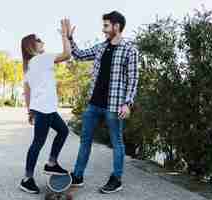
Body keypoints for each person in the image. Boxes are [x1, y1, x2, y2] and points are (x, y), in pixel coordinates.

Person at [66, 11, 139, 194]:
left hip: (114, 106)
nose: (103, 29)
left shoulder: (130, 49)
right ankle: (78, 175)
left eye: (106, 25)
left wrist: (127, 103)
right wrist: (69, 38)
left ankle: (116, 178)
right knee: (85, 140)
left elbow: (133, 79)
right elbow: (80, 55)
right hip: (94, 104)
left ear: (116, 26)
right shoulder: (101, 47)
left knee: (117, 142)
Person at [20, 19, 72, 194]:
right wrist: (65, 35)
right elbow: (67, 54)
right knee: (38, 143)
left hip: (44, 109)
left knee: (63, 131)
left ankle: (51, 163)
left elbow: (27, 91)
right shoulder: (42, 59)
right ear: (32, 45)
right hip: (45, 109)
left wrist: (30, 111)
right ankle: (27, 179)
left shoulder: (28, 67)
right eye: (39, 39)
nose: (42, 41)